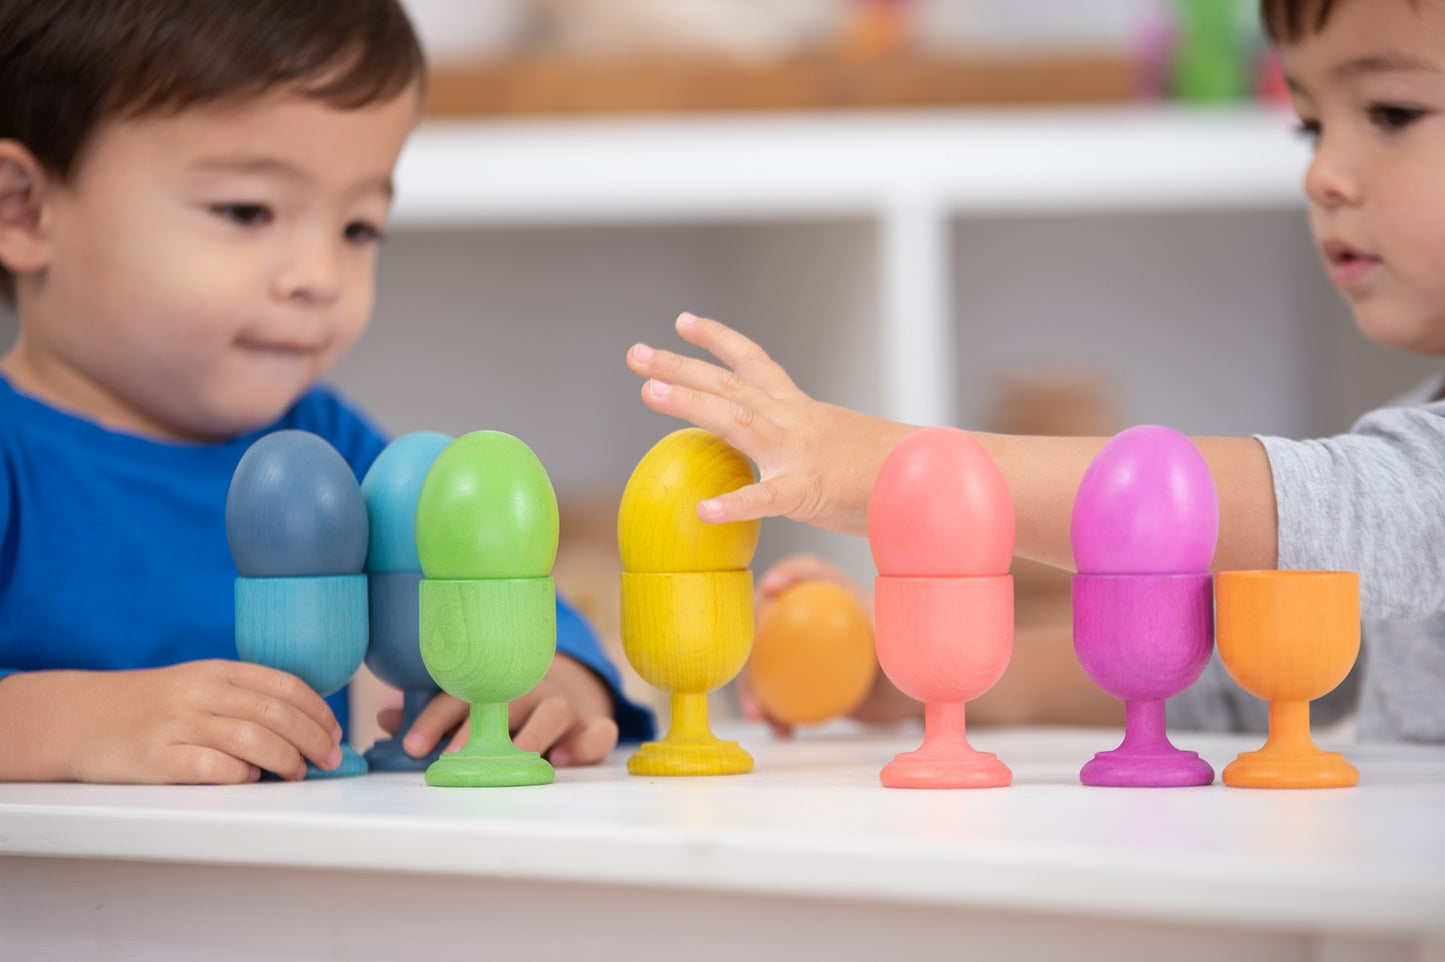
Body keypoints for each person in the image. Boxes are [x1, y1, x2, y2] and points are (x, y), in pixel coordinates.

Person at [626, 0, 1445, 743]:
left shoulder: (1404, 482)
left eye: (1392, 113)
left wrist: (890, 468)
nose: (1321, 174)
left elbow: (1329, 512)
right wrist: (931, 667)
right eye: (1309, 126)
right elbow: (1234, 678)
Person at [0, 0, 650, 784]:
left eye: (357, 228)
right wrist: (75, 724)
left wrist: (549, 687)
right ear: (23, 210)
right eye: (246, 211)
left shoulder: (325, 453)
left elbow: (521, 600)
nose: (320, 277)